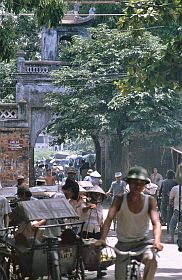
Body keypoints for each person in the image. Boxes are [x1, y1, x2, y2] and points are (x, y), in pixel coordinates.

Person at [95, 166, 163, 280]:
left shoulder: (150, 200)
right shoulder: (119, 199)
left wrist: (157, 241)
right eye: (134, 183)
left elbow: (156, 223)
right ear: (128, 184)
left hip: (143, 243)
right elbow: (109, 220)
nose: (137, 186)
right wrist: (102, 238)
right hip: (123, 245)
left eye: (141, 183)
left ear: (144, 185)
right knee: (120, 276)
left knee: (152, 260)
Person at [79, 185, 106, 278]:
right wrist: (89, 207)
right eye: (95, 194)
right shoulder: (83, 203)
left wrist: (103, 235)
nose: (97, 196)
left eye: (98, 195)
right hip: (86, 229)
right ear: (91, 195)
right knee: (84, 249)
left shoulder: (100, 207)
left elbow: (101, 221)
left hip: (96, 230)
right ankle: (82, 269)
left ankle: (99, 270)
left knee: (98, 250)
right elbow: (83, 210)